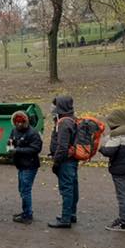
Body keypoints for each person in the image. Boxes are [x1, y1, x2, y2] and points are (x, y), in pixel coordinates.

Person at [48, 96, 79, 229]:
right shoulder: (72, 119)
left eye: (55, 105)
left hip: (66, 161)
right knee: (72, 187)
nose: (53, 107)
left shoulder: (64, 123)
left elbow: (62, 146)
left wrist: (56, 163)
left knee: (66, 189)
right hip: (72, 160)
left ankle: (66, 218)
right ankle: (71, 214)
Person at [8, 111, 42, 224]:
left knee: (25, 189)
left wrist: (18, 150)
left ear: (25, 121)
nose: (18, 125)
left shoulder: (33, 133)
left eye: (21, 122)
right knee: (22, 189)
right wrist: (10, 148)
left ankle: (27, 214)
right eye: (16, 122)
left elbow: (36, 148)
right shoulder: (14, 131)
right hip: (21, 165)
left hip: (30, 165)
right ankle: (26, 211)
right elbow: (10, 141)